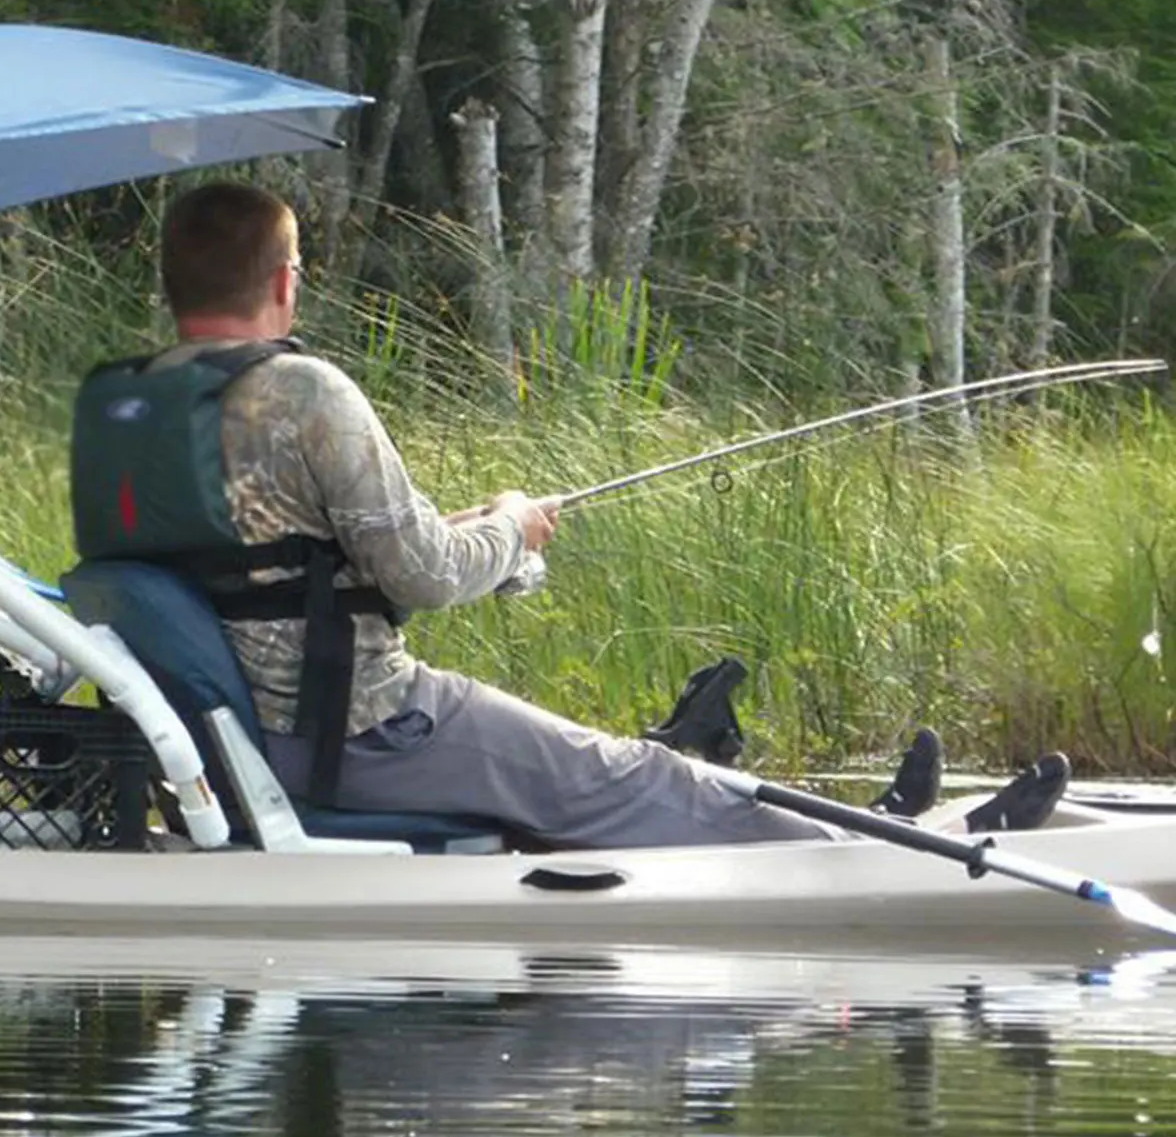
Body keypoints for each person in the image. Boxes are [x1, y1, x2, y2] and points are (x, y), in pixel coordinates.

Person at [90, 180, 1066, 848]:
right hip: (362, 731)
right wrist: (512, 528)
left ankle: (847, 815)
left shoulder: (124, 405)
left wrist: (484, 533)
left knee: (622, 769)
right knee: (647, 780)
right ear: (284, 282)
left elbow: (277, 561)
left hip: (242, 731)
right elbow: (421, 573)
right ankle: (896, 845)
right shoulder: (303, 391)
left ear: (172, 284)